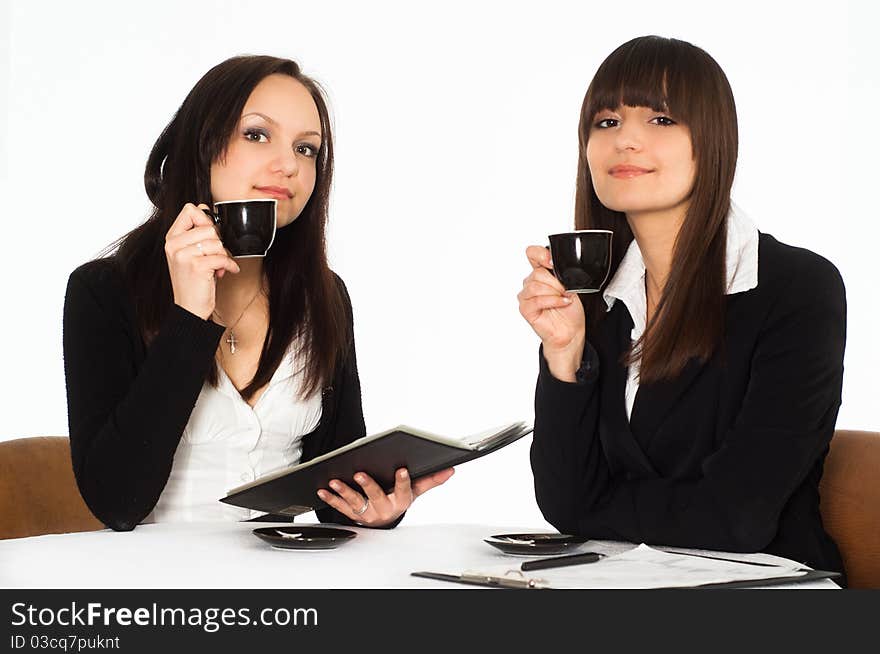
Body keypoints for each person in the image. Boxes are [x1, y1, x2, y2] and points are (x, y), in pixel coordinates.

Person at [63, 55, 453, 531]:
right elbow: (116, 502)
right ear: (202, 145)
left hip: (287, 578)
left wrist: (372, 506)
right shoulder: (103, 291)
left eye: (307, 149)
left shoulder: (325, 297)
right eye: (256, 134)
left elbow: (335, 488)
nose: (288, 164)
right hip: (156, 586)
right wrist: (188, 317)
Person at [517, 36, 847, 579]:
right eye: (606, 122)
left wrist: (603, 512)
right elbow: (565, 503)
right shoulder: (599, 302)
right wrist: (565, 354)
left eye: (662, 120)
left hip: (767, 591)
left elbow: (738, 518)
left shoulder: (798, 289)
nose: (626, 140)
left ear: (713, 140)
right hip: (629, 585)